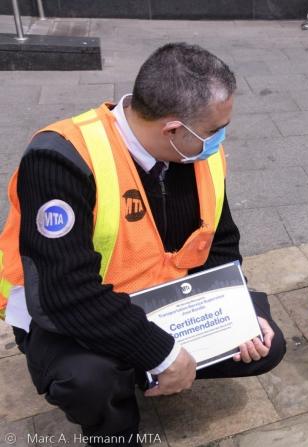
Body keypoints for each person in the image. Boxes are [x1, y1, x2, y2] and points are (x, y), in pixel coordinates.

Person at [0, 43, 285, 444]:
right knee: (87, 381)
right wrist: (163, 355)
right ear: (172, 129)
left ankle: (142, 368)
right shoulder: (60, 160)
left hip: (160, 302)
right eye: (213, 131)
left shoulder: (196, 156)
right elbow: (66, 293)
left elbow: (220, 244)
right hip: (72, 316)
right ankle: (116, 427)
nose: (219, 140)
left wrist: (240, 313)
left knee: (265, 344)